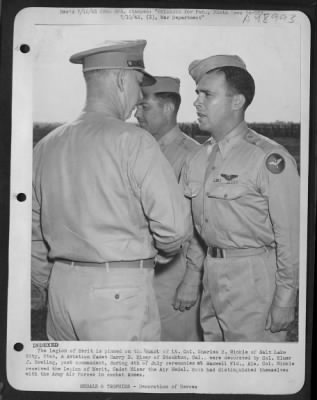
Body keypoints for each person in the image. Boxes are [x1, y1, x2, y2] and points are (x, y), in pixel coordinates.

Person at [31, 40, 191, 341]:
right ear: (121, 79)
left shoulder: (47, 144)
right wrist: (152, 258)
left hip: (61, 290)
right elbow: (175, 228)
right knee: (124, 387)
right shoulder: (134, 140)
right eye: (138, 83)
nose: (138, 95)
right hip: (118, 291)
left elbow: (33, 232)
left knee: (71, 386)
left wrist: (47, 279)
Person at [182, 54, 299, 342]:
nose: (197, 102)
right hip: (212, 275)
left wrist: (285, 297)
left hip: (254, 278)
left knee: (254, 376)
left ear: (237, 102)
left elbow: (290, 236)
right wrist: (191, 274)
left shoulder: (267, 158)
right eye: (197, 94)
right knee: (217, 370)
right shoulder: (197, 158)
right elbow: (201, 229)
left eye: (207, 94)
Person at [135, 76, 203, 341]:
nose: (136, 113)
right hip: (139, 271)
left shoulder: (192, 155)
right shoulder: (138, 149)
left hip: (175, 274)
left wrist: (191, 279)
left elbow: (202, 223)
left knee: (176, 352)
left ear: (167, 108)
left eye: (144, 107)